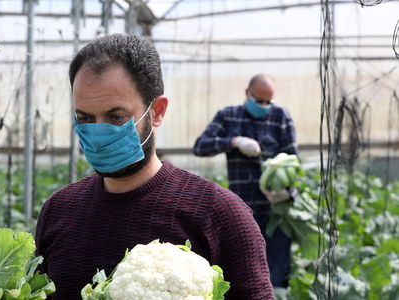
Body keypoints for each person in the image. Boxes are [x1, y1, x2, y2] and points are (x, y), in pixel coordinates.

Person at [35, 34, 274, 299]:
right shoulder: (58, 211)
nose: (98, 132)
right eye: (85, 118)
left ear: (157, 111)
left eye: (116, 117)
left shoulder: (220, 214)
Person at [192, 74, 298, 288]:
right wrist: (233, 141)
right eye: (259, 101)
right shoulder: (228, 116)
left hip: (276, 212)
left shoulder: (280, 116)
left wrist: (288, 192)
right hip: (241, 211)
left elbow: (293, 160)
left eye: (269, 102)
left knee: (276, 278)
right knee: (244, 276)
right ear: (247, 93)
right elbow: (200, 146)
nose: (265, 106)